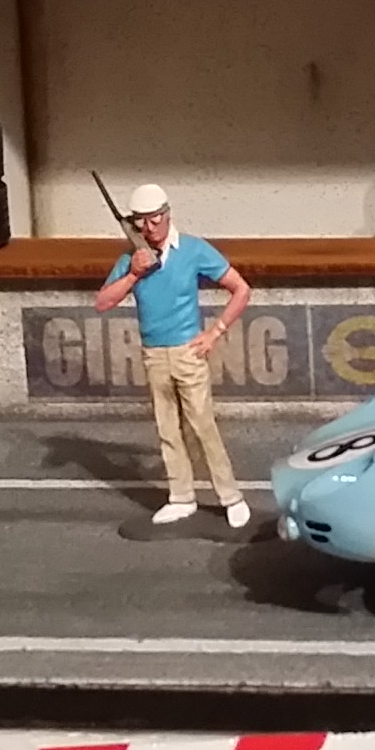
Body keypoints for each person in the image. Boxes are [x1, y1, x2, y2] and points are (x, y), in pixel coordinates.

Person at [92, 184, 255, 526]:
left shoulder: (193, 250)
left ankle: (230, 496)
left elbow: (240, 289)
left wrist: (215, 332)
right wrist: (134, 273)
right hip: (154, 353)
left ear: (167, 215)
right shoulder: (131, 259)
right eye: (141, 222)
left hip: (188, 351)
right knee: (167, 428)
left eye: (155, 219)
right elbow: (103, 302)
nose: (149, 228)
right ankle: (181, 497)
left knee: (202, 425)